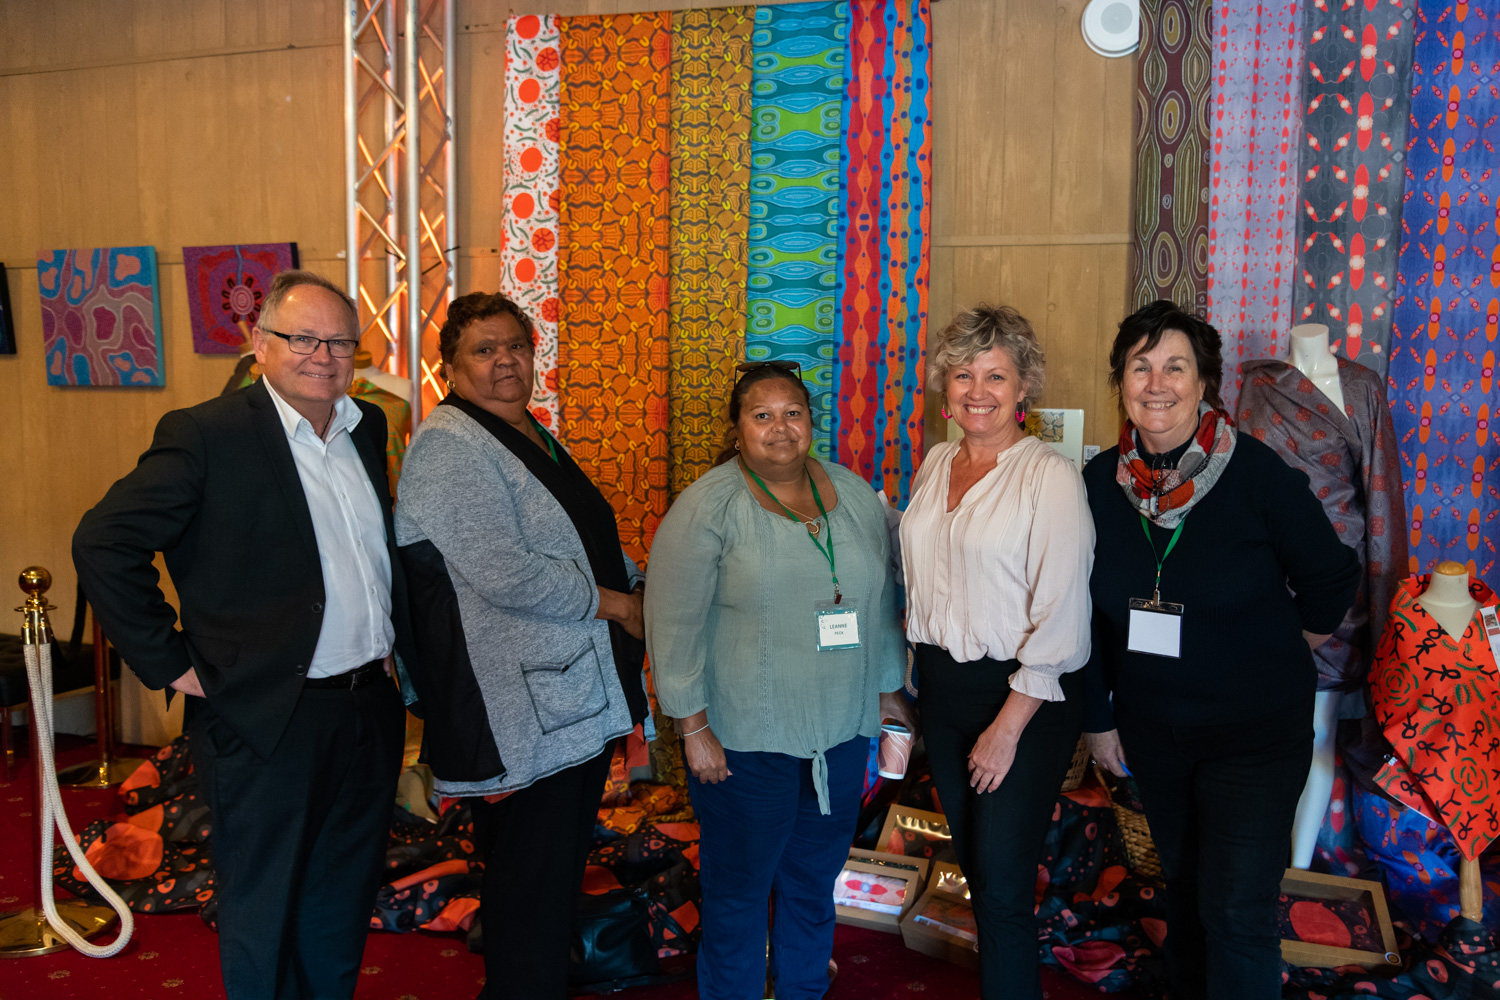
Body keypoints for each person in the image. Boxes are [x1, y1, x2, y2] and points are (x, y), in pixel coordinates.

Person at [72, 270, 416, 1000]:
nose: (323, 356)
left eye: (340, 342)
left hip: (366, 707)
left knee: (339, 897)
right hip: (264, 713)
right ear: (260, 343)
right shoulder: (207, 434)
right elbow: (104, 542)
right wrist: (173, 664)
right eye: (302, 339)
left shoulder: (369, 426)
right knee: (264, 905)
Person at [1082, 301, 1360, 1000]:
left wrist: (1286, 646)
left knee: (1236, 906)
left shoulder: (1257, 475)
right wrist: (1100, 718)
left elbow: (1331, 576)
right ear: (1120, 380)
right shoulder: (1096, 485)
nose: (1156, 383)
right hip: (1155, 733)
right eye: (1140, 366)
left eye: (1175, 366)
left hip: (1255, 735)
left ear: (1204, 381)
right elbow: (1079, 611)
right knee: (1184, 889)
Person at [394, 291, 649, 999]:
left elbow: (578, 539)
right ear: (449, 365)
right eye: (484, 349)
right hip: (522, 711)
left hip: (560, 700)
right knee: (530, 886)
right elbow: (508, 573)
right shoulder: (450, 446)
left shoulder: (524, 430)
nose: (505, 361)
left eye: (516, 346)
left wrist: (646, 582)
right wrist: (620, 606)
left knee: (547, 878)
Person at [645, 362, 912, 1000]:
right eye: (761, 415)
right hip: (742, 744)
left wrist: (888, 695)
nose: (779, 428)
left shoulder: (850, 495)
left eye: (792, 412)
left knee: (813, 888)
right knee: (737, 898)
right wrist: (693, 728)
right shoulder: (709, 505)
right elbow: (671, 621)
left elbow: (876, 605)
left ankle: (800, 991)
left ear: (811, 422)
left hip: (839, 739)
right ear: (737, 430)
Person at [898, 304, 1094, 1000]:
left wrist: (1006, 730)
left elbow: (1064, 616)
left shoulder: (1050, 477)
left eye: (995, 375)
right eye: (962, 374)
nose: (976, 390)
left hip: (1019, 701)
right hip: (944, 695)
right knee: (983, 878)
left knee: (1005, 887)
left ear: (1023, 389)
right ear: (943, 387)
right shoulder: (933, 464)